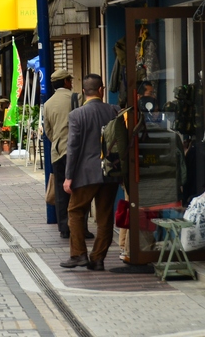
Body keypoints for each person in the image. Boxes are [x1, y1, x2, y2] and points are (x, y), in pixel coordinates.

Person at [60, 74, 119, 271]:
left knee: (75, 211)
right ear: (101, 90)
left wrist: (68, 176)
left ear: (84, 92)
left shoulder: (77, 115)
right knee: (105, 216)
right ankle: (98, 258)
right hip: (110, 172)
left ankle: (78, 254)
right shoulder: (113, 111)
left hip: (85, 173)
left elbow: (73, 147)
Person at [44, 70, 94, 240]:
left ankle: (64, 228)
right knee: (80, 191)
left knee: (61, 191)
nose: (71, 83)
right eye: (69, 80)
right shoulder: (77, 98)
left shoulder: (48, 103)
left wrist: (58, 142)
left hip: (58, 153)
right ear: (65, 82)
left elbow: (48, 130)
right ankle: (81, 228)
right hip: (78, 152)